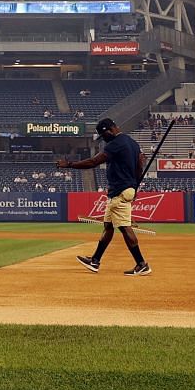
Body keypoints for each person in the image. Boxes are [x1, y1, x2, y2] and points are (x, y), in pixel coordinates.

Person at [56, 117, 150, 276]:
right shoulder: (133, 143)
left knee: (124, 227)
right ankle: (95, 260)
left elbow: (94, 162)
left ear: (110, 130)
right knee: (108, 226)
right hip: (123, 189)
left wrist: (70, 165)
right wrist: (134, 187)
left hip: (120, 190)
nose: (103, 139)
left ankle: (141, 264)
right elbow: (139, 165)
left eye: (103, 135)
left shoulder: (116, 144)